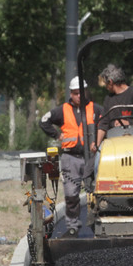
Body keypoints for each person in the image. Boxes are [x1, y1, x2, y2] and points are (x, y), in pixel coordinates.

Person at [39, 76, 97, 236]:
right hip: (70, 158)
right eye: (76, 93)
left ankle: (98, 223)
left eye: (82, 93)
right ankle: (72, 225)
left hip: (91, 158)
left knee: (96, 192)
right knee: (71, 194)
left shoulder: (95, 109)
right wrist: (57, 135)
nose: (79, 96)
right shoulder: (62, 110)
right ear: (71, 94)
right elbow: (44, 121)